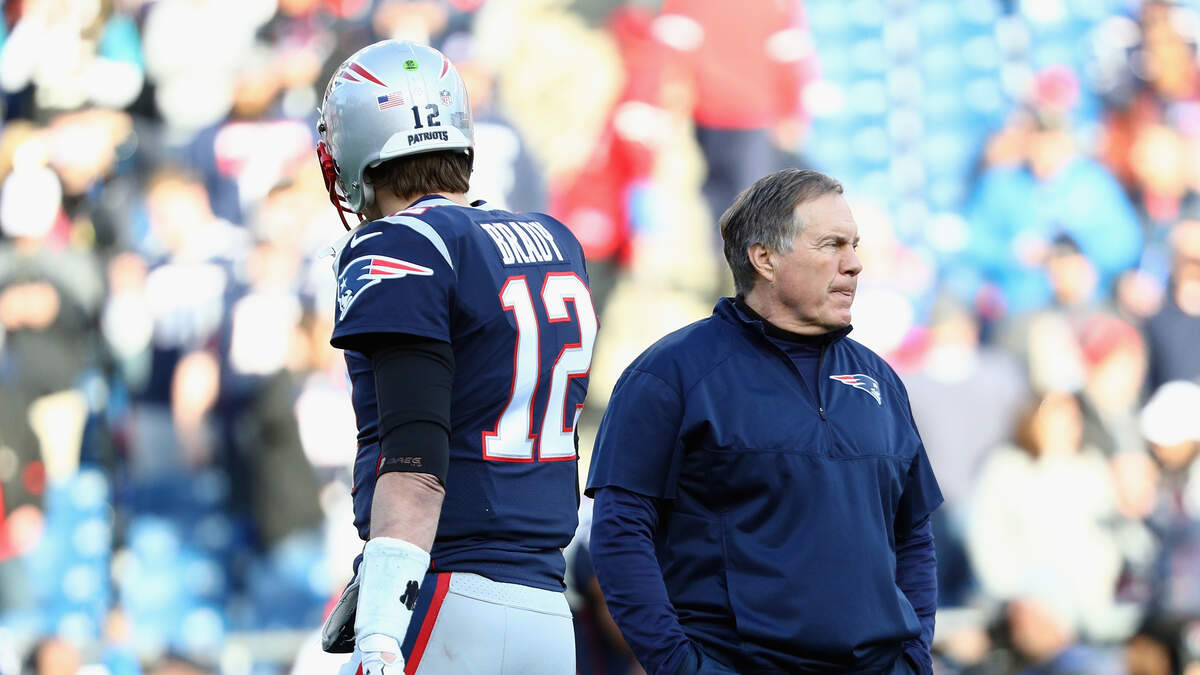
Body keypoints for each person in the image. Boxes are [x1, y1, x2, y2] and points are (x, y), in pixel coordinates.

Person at [586, 169, 943, 674]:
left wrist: (914, 659)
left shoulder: (881, 380)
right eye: (832, 244)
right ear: (765, 258)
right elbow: (620, 532)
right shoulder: (671, 374)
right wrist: (679, 665)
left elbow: (914, 536)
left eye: (855, 245)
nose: (855, 264)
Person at [314, 40, 596, 674]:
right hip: (548, 613)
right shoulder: (555, 239)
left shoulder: (400, 244)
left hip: (443, 596)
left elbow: (415, 460)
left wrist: (379, 630)